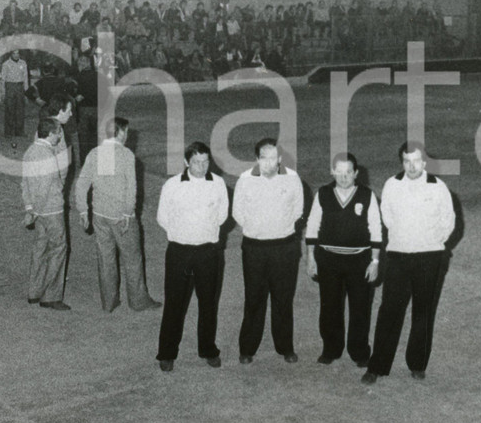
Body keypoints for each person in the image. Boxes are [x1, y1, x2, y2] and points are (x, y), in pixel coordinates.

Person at [362, 142, 456, 385]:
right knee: (389, 310)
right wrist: (406, 238)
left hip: (429, 257)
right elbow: (388, 216)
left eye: (416, 161)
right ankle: (377, 366)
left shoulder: (438, 187)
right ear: (402, 162)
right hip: (399, 256)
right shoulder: (393, 185)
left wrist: (431, 242)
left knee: (423, 312)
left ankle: (417, 364)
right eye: (406, 161)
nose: (412, 166)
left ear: (424, 162)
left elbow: (449, 221)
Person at [155, 142, 229, 372]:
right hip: (180, 251)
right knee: (174, 303)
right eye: (196, 162)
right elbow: (162, 217)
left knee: (208, 303)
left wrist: (203, 233)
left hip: (208, 252)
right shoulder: (172, 185)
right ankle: (167, 353)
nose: (201, 166)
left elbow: (222, 215)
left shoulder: (218, 184)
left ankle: (208, 349)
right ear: (187, 162)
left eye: (206, 161)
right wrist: (183, 234)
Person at [73, 117, 160, 313]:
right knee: (132, 258)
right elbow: (132, 189)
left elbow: (81, 184)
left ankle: (109, 301)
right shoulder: (126, 155)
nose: (127, 136)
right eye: (126, 132)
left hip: (99, 214)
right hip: (120, 215)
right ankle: (138, 301)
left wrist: (83, 210)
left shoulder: (94, 154)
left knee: (106, 258)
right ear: (120, 133)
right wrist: (128, 214)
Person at [304, 152, 382, 368]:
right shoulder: (324, 193)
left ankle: (359, 352)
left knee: (360, 308)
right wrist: (311, 258)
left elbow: (376, 228)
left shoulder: (367, 195)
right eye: (339, 171)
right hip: (328, 259)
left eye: (348, 172)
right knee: (330, 307)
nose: (344, 176)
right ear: (332, 172)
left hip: (360, 260)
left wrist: (374, 262)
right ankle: (331, 348)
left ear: (356, 173)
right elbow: (312, 226)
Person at [232, 137, 304, 364]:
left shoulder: (292, 178)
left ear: (280, 159)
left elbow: (298, 210)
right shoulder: (245, 179)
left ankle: (285, 347)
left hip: (284, 247)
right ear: (257, 158)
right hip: (255, 248)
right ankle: (247, 348)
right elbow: (238, 212)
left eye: (273, 158)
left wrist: (278, 229)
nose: (268, 163)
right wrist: (257, 229)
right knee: (254, 298)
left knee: (283, 299)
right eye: (264, 158)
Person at [20, 117, 71, 311]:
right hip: (51, 210)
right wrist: (36, 211)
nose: (60, 135)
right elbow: (45, 186)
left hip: (38, 209)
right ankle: (51, 296)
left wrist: (30, 208)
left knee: (40, 248)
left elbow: (25, 183)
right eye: (58, 132)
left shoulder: (30, 151)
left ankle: (34, 291)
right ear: (50, 133)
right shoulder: (48, 156)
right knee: (58, 248)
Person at [1, 49, 29, 137]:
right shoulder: (6, 64)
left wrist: (26, 91)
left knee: (20, 110)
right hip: (10, 86)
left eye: (18, 53)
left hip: (20, 86)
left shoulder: (23, 63)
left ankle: (19, 131)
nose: (16, 55)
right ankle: (8, 132)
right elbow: (3, 79)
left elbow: (25, 78)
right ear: (11, 54)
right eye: (14, 53)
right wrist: (3, 92)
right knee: (10, 109)